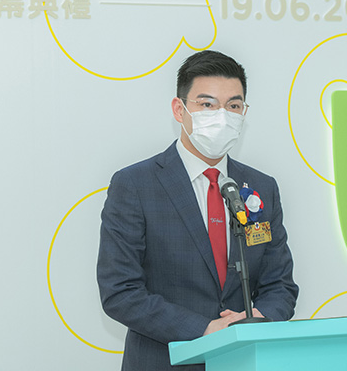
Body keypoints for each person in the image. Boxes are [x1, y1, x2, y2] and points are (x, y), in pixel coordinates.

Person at [97, 50, 298, 370]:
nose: (222, 116)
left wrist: (258, 319)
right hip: (163, 361)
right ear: (180, 109)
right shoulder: (135, 185)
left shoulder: (262, 187)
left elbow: (280, 285)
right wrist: (204, 329)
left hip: (243, 361)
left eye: (233, 106)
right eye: (207, 105)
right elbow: (120, 291)